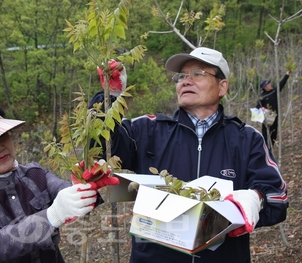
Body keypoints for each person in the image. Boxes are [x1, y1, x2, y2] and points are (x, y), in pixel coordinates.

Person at [89, 47, 288, 262]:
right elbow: (100, 144)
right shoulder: (148, 130)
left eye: (198, 73)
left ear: (222, 87)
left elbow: (277, 199)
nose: (186, 80)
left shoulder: (246, 139)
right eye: (181, 76)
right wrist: (110, 96)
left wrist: (255, 200)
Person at [0, 99, 119, 263]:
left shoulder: (34, 175)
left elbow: (65, 194)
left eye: (1, 136)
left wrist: (83, 187)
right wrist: (51, 216)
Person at [256, 70, 291, 146]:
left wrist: (287, 75)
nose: (270, 85)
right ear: (265, 87)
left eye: (269, 83)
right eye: (268, 84)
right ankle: (265, 149)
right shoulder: (262, 97)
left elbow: (281, 84)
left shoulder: (274, 92)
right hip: (267, 118)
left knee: (274, 134)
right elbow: (257, 108)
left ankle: (271, 148)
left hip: (275, 116)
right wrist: (264, 112)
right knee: (267, 134)